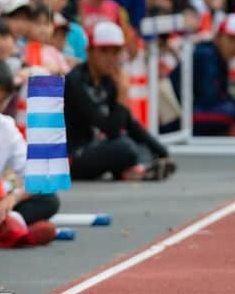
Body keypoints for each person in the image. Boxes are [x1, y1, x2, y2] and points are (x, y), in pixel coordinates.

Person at [64, 21, 173, 181]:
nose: (111, 58)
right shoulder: (75, 81)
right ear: (90, 51)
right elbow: (111, 130)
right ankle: (136, 169)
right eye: (104, 51)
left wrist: (162, 152)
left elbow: (129, 123)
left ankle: (136, 169)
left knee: (139, 145)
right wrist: (123, 93)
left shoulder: (108, 80)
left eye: (116, 52)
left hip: (98, 146)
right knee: (125, 147)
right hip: (73, 155)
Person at [0, 56, 60, 248]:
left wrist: (14, 197)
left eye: (1, 101)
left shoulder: (5, 126)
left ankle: (5, 226)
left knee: (49, 200)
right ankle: (12, 231)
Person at [174, 13, 235, 136]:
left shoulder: (217, 55)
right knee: (229, 113)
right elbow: (210, 100)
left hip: (190, 109)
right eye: (231, 39)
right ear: (218, 37)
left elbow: (220, 93)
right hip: (176, 115)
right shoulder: (207, 55)